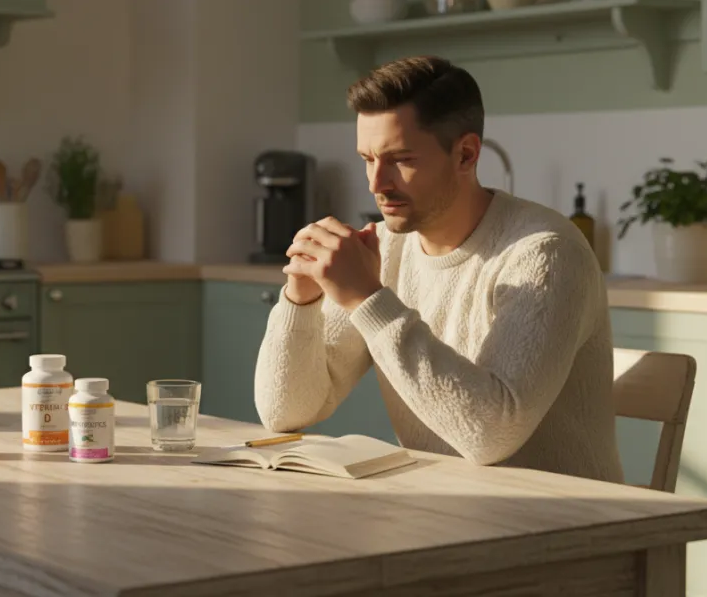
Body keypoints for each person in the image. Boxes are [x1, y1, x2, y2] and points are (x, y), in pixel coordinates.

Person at [253, 55, 623, 483]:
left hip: (565, 528)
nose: (377, 183)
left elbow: (490, 434)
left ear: (465, 154)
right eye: (367, 159)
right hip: (440, 511)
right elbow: (285, 411)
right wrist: (301, 298)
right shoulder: (387, 248)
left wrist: (367, 299)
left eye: (401, 159)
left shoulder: (546, 254)